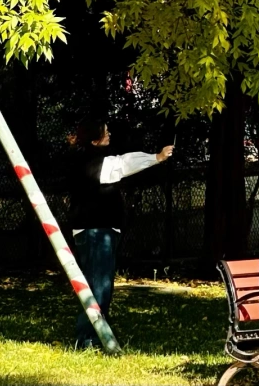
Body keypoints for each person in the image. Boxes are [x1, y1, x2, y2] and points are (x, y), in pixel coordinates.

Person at [68, 117, 174, 349]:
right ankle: (89, 338)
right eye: (105, 132)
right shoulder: (95, 162)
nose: (109, 135)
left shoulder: (87, 159)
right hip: (96, 232)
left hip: (93, 231)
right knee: (98, 286)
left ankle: (93, 335)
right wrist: (156, 157)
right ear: (94, 140)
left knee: (96, 284)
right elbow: (124, 163)